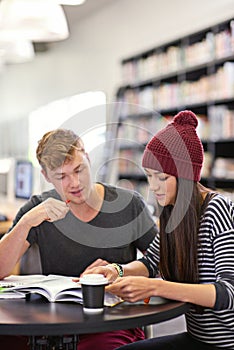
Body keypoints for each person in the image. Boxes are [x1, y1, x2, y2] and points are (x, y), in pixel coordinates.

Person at [84, 110, 234, 350]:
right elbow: (151, 262)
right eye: (149, 176)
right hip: (198, 339)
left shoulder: (217, 209)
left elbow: (228, 293)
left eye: (162, 177)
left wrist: (154, 286)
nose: (153, 186)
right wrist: (118, 271)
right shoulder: (174, 212)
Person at [0, 128, 157, 350]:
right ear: (46, 176)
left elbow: (163, 260)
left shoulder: (128, 204)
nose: (74, 183)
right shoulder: (38, 209)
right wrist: (26, 222)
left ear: (88, 159)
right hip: (52, 323)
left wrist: (120, 270)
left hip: (112, 321)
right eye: (61, 177)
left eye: (79, 169)